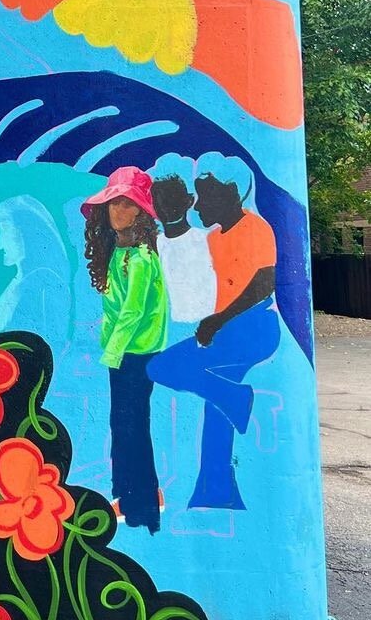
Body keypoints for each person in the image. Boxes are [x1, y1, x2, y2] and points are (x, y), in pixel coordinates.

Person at [147, 154, 279, 509]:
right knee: (216, 410)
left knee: (161, 367)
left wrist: (217, 320)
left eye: (205, 196)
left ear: (232, 194)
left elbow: (264, 283)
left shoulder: (256, 228)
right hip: (227, 330)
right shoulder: (214, 238)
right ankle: (216, 492)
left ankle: (237, 399)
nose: (199, 204)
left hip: (254, 327)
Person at [81, 166, 168, 533]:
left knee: (132, 425)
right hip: (123, 353)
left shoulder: (142, 258)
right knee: (123, 424)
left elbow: (132, 312)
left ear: (142, 213)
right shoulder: (120, 254)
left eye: (126, 204)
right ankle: (127, 493)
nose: (118, 211)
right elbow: (115, 310)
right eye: (113, 204)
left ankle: (143, 503)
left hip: (136, 354)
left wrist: (111, 352)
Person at [0, 195, 73, 350]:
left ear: (26, 234)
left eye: (6, 231)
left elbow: (52, 345)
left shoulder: (46, 283)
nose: (0, 244)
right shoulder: (19, 280)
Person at [150, 158, 216, 332]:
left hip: (208, 324)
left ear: (188, 201)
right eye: (159, 202)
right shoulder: (157, 245)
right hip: (173, 328)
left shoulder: (207, 239)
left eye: (171, 200)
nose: (165, 208)